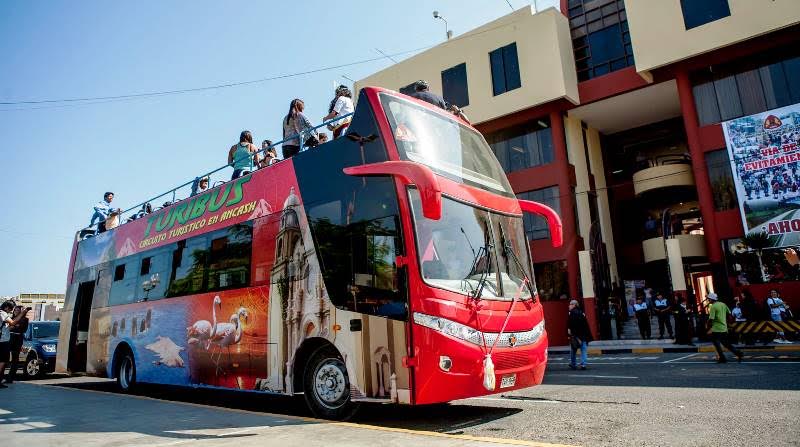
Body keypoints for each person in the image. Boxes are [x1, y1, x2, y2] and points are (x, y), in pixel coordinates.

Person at [706, 293, 743, 363]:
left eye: (709, 299)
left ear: (712, 299)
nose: (708, 300)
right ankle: (738, 353)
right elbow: (729, 314)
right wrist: (728, 323)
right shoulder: (723, 304)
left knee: (717, 344)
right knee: (726, 344)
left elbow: (711, 319)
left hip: (716, 329)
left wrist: (707, 325)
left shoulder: (713, 307)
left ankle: (722, 358)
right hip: (724, 328)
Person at [0, 301, 28, 387]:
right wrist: (23, 312)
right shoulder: (3, 313)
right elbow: (12, 324)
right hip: (3, 341)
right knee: (2, 361)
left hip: (9, 340)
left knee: (6, 360)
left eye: (15, 310)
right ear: (7, 307)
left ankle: (6, 379)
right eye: (12, 309)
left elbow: (9, 327)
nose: (12, 311)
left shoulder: (24, 319)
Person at [567, 299, 593, 370]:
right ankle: (583, 364)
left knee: (573, 350)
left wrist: (570, 333)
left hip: (575, 335)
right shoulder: (582, 312)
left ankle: (573, 364)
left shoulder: (571, 313)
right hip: (583, 335)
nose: (569, 306)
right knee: (583, 350)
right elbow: (585, 324)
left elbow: (571, 325)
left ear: (574, 305)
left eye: (570, 304)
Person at [6, 305, 29, 383]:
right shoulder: (11, 318)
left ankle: (10, 378)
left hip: (18, 339)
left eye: (18, 310)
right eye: (15, 310)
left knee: (15, 359)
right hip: (9, 338)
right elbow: (9, 327)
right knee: (5, 357)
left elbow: (22, 329)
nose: (16, 311)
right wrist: (15, 325)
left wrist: (14, 326)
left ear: (21, 311)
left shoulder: (25, 319)